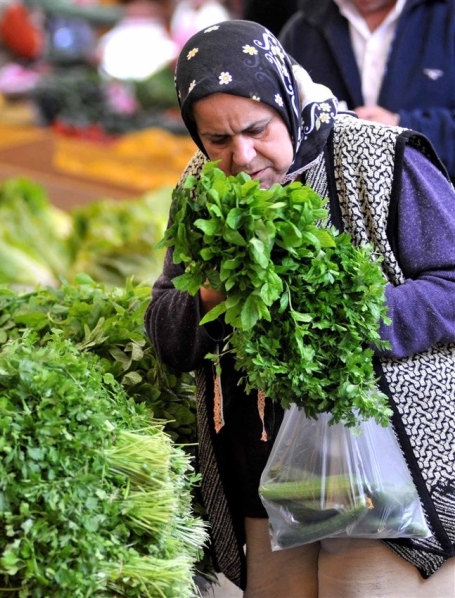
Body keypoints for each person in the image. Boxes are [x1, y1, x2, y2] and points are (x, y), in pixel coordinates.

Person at [145, 20, 455, 597]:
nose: (242, 156)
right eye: (216, 141)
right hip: (269, 486)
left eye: (257, 130)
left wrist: (347, 318)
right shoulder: (198, 188)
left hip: (383, 481)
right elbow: (165, 330)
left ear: (284, 100)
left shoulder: (378, 159)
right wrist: (209, 298)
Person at [279, 0, 455, 177]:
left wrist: (401, 130)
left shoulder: (448, 18)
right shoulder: (301, 31)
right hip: (330, 198)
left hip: (437, 193)